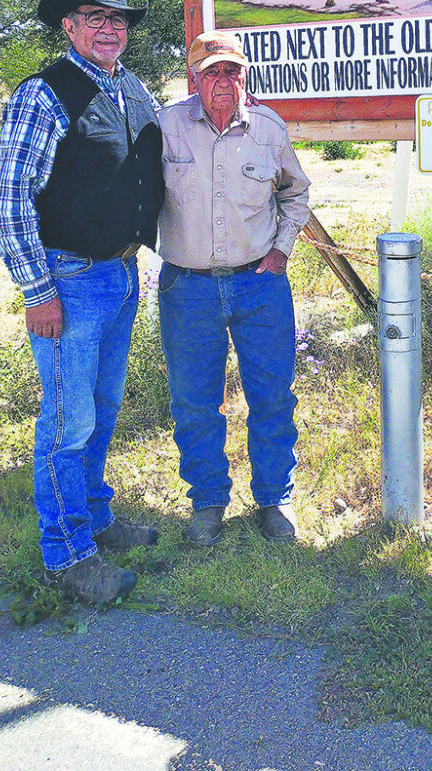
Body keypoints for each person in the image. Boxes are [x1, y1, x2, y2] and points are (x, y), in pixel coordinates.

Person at [0, 0, 164, 604]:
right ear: (69, 26)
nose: (109, 28)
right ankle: (66, 554)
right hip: (67, 278)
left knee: (104, 408)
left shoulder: (131, 88)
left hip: (120, 274)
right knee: (68, 421)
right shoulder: (44, 94)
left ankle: (94, 515)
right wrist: (37, 292)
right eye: (95, 18)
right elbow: (12, 204)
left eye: (117, 20)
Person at [157, 31, 311, 546]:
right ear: (195, 78)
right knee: (195, 402)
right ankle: (207, 501)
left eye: (232, 71)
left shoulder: (268, 128)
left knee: (271, 396)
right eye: (212, 72)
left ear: (244, 75)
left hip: (259, 287)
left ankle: (274, 499)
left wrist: (282, 249)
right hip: (188, 288)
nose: (223, 82)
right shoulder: (165, 128)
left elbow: (296, 191)